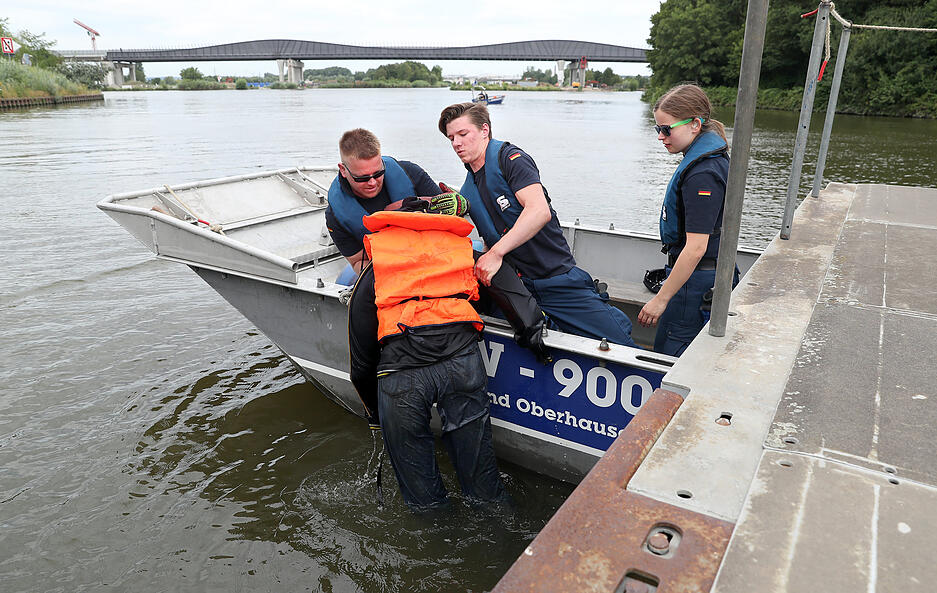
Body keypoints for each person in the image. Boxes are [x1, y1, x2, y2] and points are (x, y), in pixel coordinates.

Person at [347, 205, 532, 510]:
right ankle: (502, 534)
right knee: (485, 490)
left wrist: (376, 418)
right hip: (463, 363)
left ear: (392, 229)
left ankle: (434, 534)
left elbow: (361, 364)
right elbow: (510, 288)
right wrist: (532, 329)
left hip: (401, 373)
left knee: (424, 500)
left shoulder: (377, 266)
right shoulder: (462, 251)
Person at [438, 102, 637, 348]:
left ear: (484, 130)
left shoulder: (510, 159)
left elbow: (538, 210)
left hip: (556, 279)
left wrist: (497, 253)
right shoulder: (469, 190)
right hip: (519, 286)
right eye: (451, 138)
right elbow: (489, 240)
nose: (456, 143)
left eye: (463, 134)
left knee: (618, 343)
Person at [637, 84, 737, 356]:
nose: (660, 136)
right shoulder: (713, 161)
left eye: (666, 129)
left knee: (673, 355)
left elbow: (695, 247)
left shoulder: (702, 174)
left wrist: (661, 299)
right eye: (657, 128)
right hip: (704, 277)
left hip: (695, 286)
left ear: (695, 124)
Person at [325, 128, 441, 280]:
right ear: (343, 170)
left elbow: (452, 216)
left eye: (378, 173)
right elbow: (358, 261)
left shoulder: (411, 173)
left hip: (436, 255)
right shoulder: (336, 215)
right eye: (362, 178)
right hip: (388, 271)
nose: (373, 182)